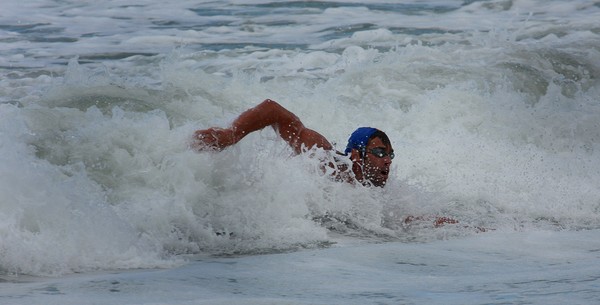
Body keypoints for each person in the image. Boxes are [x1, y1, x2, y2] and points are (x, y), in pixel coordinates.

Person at [192, 99, 394, 187]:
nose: (387, 161)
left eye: (390, 155)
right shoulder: (327, 160)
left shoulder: (376, 191)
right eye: (380, 152)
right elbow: (272, 110)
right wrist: (231, 135)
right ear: (356, 155)